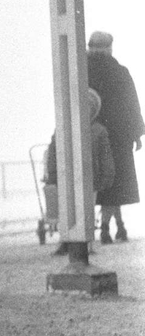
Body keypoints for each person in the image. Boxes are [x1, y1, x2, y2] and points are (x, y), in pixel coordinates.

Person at [86, 31, 144, 242]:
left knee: (98, 183)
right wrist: (137, 134)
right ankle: (110, 227)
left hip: (89, 135)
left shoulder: (81, 70)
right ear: (109, 48)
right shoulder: (120, 72)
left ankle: (114, 226)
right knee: (116, 183)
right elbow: (132, 104)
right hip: (118, 137)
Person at [44, 87, 115, 253]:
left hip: (91, 178)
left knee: (86, 210)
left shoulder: (98, 131)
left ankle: (87, 243)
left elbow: (106, 156)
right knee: (68, 209)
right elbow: (54, 152)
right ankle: (66, 240)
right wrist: (53, 173)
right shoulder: (63, 128)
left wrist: (107, 176)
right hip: (68, 177)